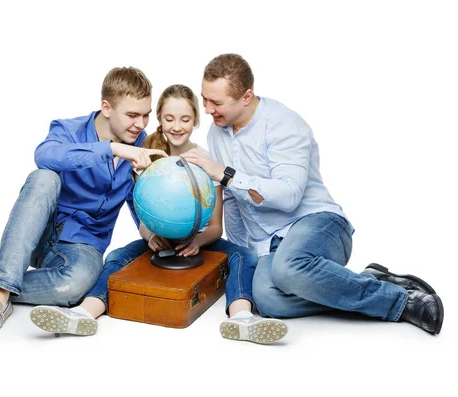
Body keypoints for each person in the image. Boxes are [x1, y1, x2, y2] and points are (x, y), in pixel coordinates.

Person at [179, 53, 443, 334]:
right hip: (271, 245)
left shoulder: (284, 123)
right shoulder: (216, 133)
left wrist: (225, 174)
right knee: (267, 300)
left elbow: (289, 195)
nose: (206, 109)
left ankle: (401, 302)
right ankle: (367, 281)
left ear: (246, 96)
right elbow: (232, 203)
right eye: (204, 99)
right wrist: (246, 252)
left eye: (216, 102)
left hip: (320, 223)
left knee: (287, 268)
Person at [30, 84, 288, 344]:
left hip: (199, 243)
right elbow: (139, 212)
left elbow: (215, 227)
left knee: (243, 255)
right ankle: (83, 313)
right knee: (118, 257)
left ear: (196, 120)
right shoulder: (146, 159)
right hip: (161, 241)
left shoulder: (205, 162)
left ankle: (241, 318)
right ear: (159, 120)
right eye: (169, 118)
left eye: (185, 119)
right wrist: (151, 236)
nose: (177, 126)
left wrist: (196, 242)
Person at [0, 67, 167, 340]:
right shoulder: (69, 129)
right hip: (40, 232)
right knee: (44, 178)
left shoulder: (143, 144)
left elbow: (137, 197)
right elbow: (44, 155)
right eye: (132, 115)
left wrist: (149, 232)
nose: (141, 123)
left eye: (146, 114)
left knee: (75, 288)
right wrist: (111, 149)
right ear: (106, 108)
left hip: (83, 246)